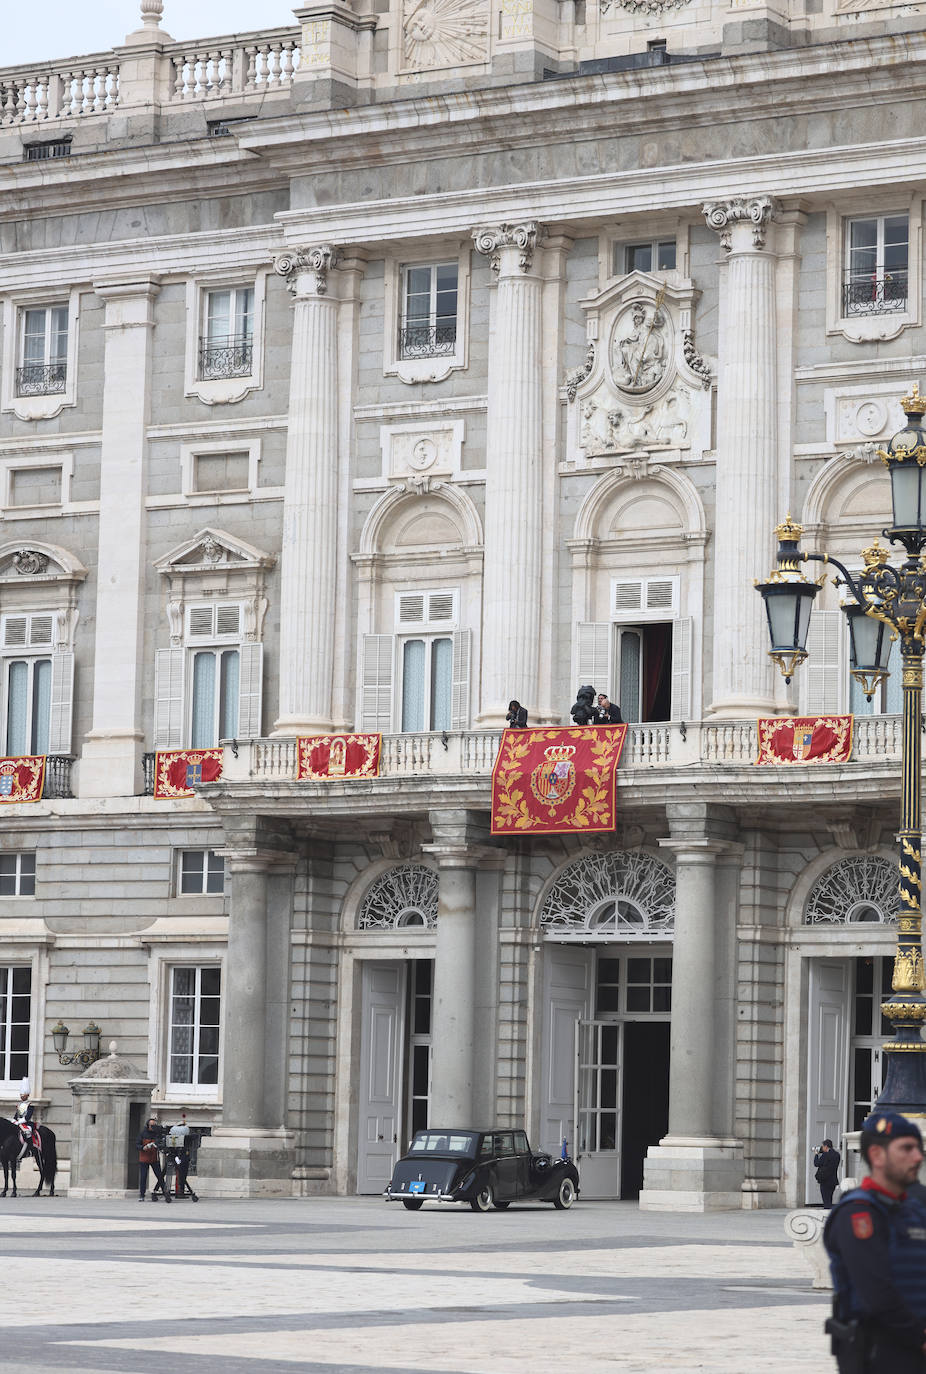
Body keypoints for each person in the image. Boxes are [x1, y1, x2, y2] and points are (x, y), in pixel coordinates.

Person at [824, 1110, 926, 1372]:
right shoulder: (858, 1213)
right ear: (877, 1155)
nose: (918, 1157)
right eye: (906, 1149)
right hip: (881, 1351)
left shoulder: (913, 1210)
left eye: (918, 1148)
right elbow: (877, 1293)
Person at [136, 1115, 171, 1203]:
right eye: (151, 1126)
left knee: (159, 1176)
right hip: (144, 1158)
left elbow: (161, 1142)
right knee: (143, 1177)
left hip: (154, 1158)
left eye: (154, 1125)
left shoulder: (157, 1134)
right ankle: (142, 1195)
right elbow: (137, 1144)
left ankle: (165, 1193)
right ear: (147, 1126)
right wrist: (143, 1147)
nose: (152, 1127)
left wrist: (157, 1144)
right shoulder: (142, 1133)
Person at [12, 1078, 40, 1155]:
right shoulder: (19, 1105)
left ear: (27, 1095)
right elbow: (16, 1115)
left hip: (26, 1123)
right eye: (20, 1094)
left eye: (23, 1094)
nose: (21, 1096)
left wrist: (19, 1121)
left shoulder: (30, 1105)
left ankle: (30, 1149)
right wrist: (14, 1121)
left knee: (27, 1132)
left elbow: (27, 1117)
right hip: (18, 1123)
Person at [815, 1138, 842, 1209]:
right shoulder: (837, 1155)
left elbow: (817, 1163)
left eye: (823, 1146)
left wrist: (816, 1155)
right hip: (833, 1180)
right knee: (829, 1198)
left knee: (826, 1201)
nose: (822, 1148)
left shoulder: (825, 1155)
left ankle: (828, 1216)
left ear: (826, 1146)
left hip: (825, 1180)